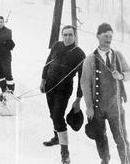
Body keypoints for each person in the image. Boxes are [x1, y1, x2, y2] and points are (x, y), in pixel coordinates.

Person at [81, 23, 130, 164]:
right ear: (98, 36)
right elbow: (85, 84)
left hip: (115, 107)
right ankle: (105, 160)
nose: (108, 39)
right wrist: (89, 107)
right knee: (100, 138)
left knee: (121, 139)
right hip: (98, 107)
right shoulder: (90, 59)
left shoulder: (118, 55)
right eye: (105, 36)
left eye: (110, 36)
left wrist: (121, 76)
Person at [40, 25, 86, 164]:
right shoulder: (56, 46)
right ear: (62, 35)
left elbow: (82, 79)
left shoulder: (79, 54)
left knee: (57, 116)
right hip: (49, 86)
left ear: (75, 36)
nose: (67, 37)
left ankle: (65, 152)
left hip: (64, 89)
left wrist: (78, 99)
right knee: (52, 113)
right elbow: (47, 62)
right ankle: (56, 138)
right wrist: (43, 80)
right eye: (65, 34)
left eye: (70, 34)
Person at [0, 15, 15, 93]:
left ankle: (11, 91)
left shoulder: (8, 31)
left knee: (8, 74)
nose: (0, 23)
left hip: (6, 56)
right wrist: (1, 41)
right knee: (0, 74)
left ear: (3, 22)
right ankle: (4, 91)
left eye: (1, 22)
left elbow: (4, 39)